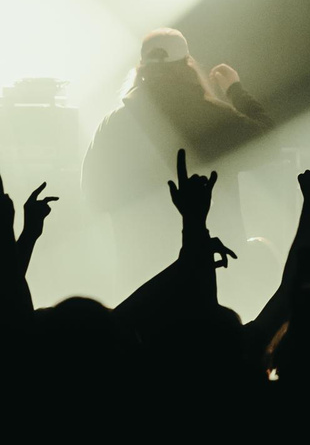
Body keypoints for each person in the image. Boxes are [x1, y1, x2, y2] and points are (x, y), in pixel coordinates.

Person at [84, 28, 273, 284]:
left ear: (141, 68)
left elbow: (94, 196)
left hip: (142, 276)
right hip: (214, 268)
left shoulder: (114, 124)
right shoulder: (212, 115)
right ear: (187, 65)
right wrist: (235, 89)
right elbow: (269, 139)